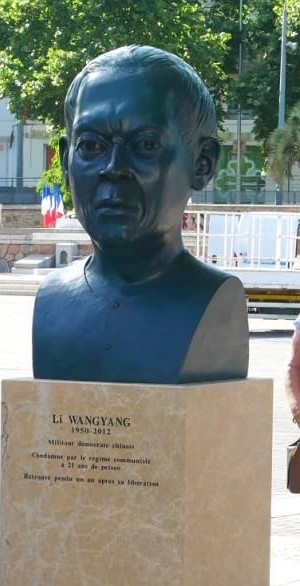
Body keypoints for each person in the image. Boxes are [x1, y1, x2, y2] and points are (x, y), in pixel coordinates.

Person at [33, 45, 248, 384]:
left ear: (202, 163)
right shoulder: (52, 300)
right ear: (65, 159)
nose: (113, 169)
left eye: (146, 145)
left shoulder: (214, 303)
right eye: (91, 145)